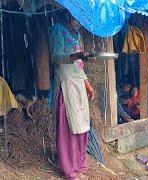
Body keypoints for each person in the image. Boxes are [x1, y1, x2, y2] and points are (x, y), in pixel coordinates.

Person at [49, 12, 94, 180]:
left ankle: (81, 167)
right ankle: (70, 170)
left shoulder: (77, 35)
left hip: (78, 83)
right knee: (69, 127)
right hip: (66, 83)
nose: (80, 23)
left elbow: (79, 65)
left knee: (82, 125)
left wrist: (87, 84)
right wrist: (74, 56)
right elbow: (55, 57)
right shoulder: (57, 30)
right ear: (69, 15)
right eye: (78, 19)